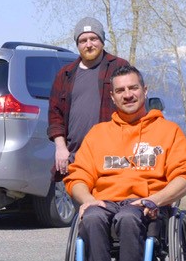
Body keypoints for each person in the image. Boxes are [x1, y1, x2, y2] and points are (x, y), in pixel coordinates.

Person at [65, 65, 186, 261]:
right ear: (113, 97)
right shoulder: (98, 134)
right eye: (121, 90)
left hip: (147, 205)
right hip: (105, 202)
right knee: (91, 217)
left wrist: (156, 200)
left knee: (128, 217)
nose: (128, 95)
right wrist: (87, 199)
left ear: (144, 91)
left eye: (133, 88)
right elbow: (78, 176)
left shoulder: (168, 131)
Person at [48, 17, 132, 177]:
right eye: (83, 40)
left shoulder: (119, 67)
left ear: (102, 41)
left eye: (93, 39)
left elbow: (133, 107)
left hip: (112, 158)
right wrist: (61, 148)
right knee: (73, 194)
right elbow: (55, 115)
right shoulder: (65, 74)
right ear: (77, 45)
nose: (88, 44)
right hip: (74, 158)